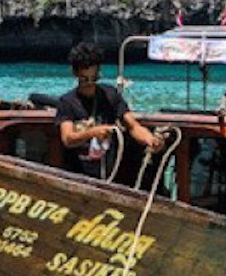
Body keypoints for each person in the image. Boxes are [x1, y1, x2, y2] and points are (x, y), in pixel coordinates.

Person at [55, 43, 157, 179]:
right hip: (78, 175)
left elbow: (133, 126)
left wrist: (150, 139)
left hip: (108, 175)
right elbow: (67, 138)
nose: (90, 84)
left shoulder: (110, 95)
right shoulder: (67, 102)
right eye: (85, 80)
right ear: (75, 74)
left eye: (94, 78)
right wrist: (92, 133)